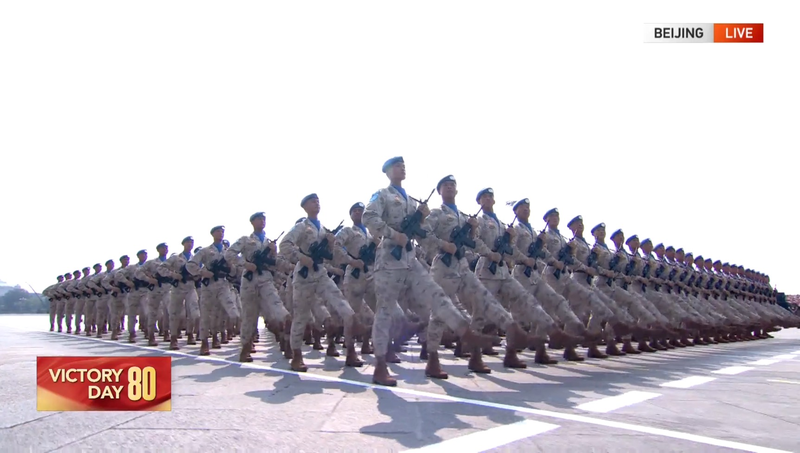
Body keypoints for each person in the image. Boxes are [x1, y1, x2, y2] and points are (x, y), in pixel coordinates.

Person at [362, 156, 493, 386]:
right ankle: (380, 365)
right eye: (397, 166)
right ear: (387, 171)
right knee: (384, 311)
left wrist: (421, 220)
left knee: (436, 295)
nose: (402, 168)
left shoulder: (412, 203)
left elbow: (423, 233)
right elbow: (368, 217)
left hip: (410, 258)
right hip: (388, 259)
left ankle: (466, 333)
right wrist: (394, 234)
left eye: (403, 165)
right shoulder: (381, 194)